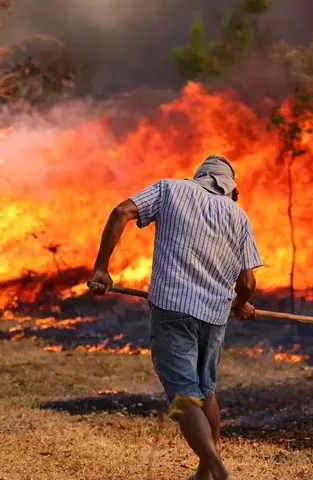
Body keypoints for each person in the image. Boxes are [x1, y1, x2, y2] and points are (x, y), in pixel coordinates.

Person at [88, 155, 262, 480]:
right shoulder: (239, 216)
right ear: (230, 189)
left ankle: (217, 469)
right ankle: (204, 475)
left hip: (173, 308)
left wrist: (101, 268)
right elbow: (248, 283)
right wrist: (240, 304)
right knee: (206, 390)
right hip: (213, 316)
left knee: (184, 393)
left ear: (199, 177)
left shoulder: (170, 190)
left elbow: (121, 211)